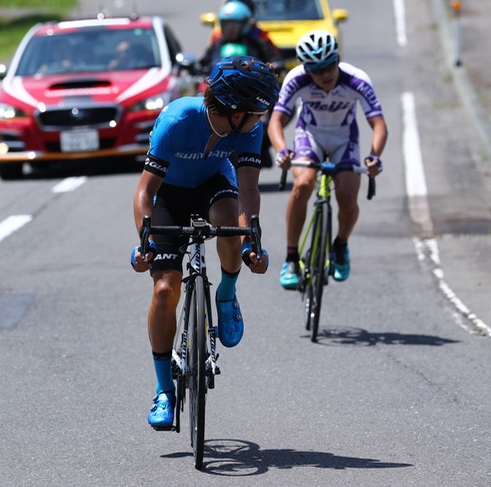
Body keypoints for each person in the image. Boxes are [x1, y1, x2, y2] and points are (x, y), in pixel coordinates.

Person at [130, 56, 279, 430]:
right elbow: (145, 191)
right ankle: (164, 390)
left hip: (215, 184)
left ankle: (226, 294)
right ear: (232, 110)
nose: (259, 118)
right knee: (165, 290)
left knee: (228, 223)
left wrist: (250, 243)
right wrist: (145, 239)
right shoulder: (178, 120)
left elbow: (247, 189)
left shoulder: (248, 128)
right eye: (255, 111)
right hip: (170, 195)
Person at [269, 30, 388, 290]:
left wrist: (374, 157)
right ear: (305, 68)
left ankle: (341, 245)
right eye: (316, 69)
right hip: (309, 135)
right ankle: (291, 258)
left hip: (344, 140)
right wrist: (281, 150)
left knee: (347, 198)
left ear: (338, 59)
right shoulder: (296, 79)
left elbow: (378, 124)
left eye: (329, 65)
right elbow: (276, 121)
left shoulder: (356, 80)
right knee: (302, 186)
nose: (325, 74)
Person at [199, 1, 284, 76]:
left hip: (252, 86)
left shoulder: (257, 42)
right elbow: (203, 63)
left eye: (234, 26)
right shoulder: (218, 43)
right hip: (218, 85)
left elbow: (274, 59)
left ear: (245, 24)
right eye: (226, 25)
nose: (230, 30)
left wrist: (274, 66)